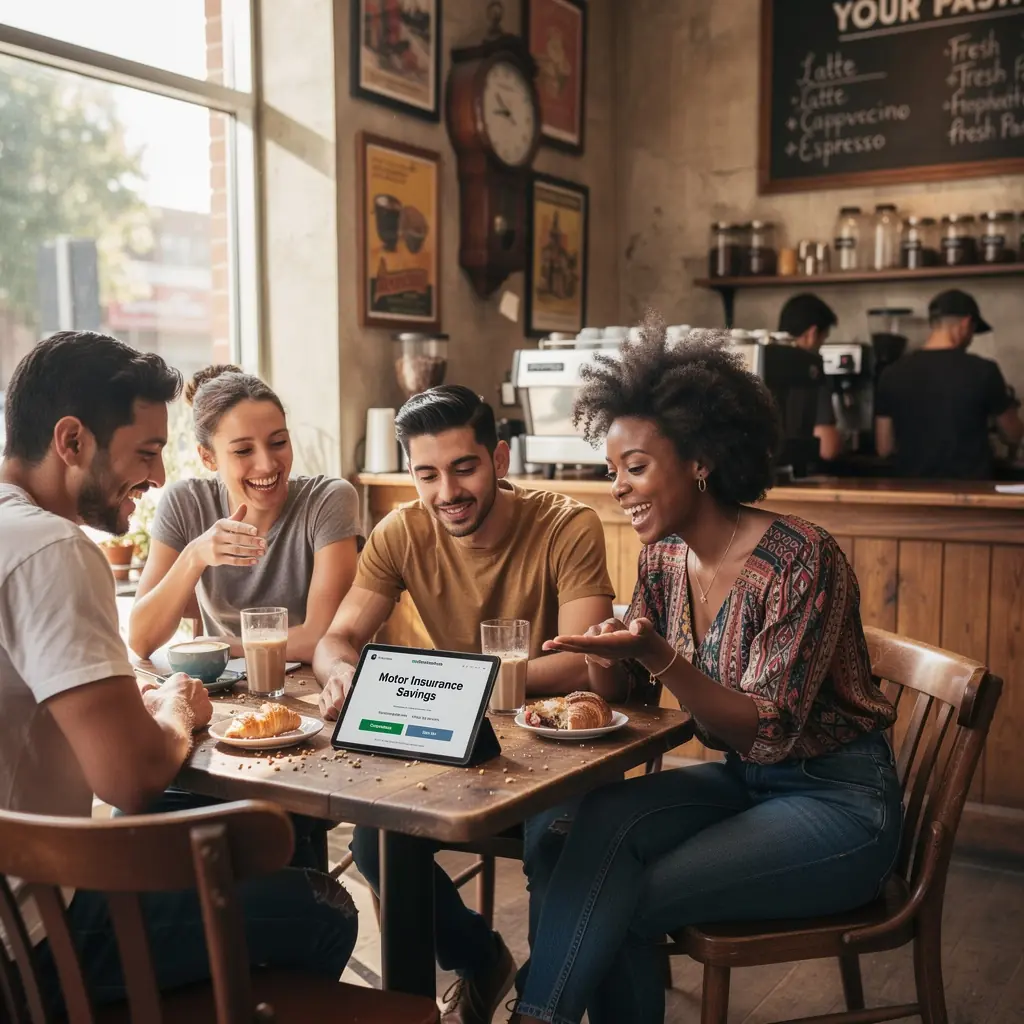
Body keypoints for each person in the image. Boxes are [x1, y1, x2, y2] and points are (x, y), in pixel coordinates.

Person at [507, 318, 900, 1024]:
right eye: (611, 471)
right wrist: (607, 662)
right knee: (578, 828)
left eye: (635, 467)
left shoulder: (800, 559)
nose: (619, 488)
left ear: (700, 459)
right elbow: (632, 696)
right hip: (742, 787)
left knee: (618, 895)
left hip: (836, 804)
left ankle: (534, 1014)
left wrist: (658, 653)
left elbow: (766, 730)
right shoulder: (662, 559)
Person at [0, 332, 356, 1010]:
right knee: (321, 906)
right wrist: (171, 710)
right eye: (145, 452)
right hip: (37, 934)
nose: (159, 478)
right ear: (71, 441)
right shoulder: (51, 548)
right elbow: (130, 780)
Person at [313, 385, 623, 1024]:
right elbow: (337, 638)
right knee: (376, 842)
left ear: (500, 460)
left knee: (557, 842)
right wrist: (342, 674)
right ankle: (480, 959)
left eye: (464, 468)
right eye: (427, 474)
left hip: (557, 752)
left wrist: (463, 685)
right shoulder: (401, 531)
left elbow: (586, 667)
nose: (447, 492)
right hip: (461, 747)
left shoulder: (567, 524)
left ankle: (543, 1005)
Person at [129, 364, 362, 661]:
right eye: (243, 451)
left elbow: (322, 637)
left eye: (278, 442)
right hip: (220, 693)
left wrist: (220, 647)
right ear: (208, 457)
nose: (267, 464)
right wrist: (194, 556)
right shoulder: (185, 503)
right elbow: (141, 640)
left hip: (311, 691)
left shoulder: (327, 501)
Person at [875, 289, 1023, 479]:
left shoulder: (891, 373)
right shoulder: (984, 370)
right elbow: (1012, 434)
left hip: (912, 494)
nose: (970, 339)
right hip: (970, 494)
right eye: (973, 332)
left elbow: (884, 447)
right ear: (966, 323)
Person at [777, 293, 843, 461]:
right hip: (802, 474)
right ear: (812, 334)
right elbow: (827, 448)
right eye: (823, 340)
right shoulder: (811, 370)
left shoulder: (761, 361)